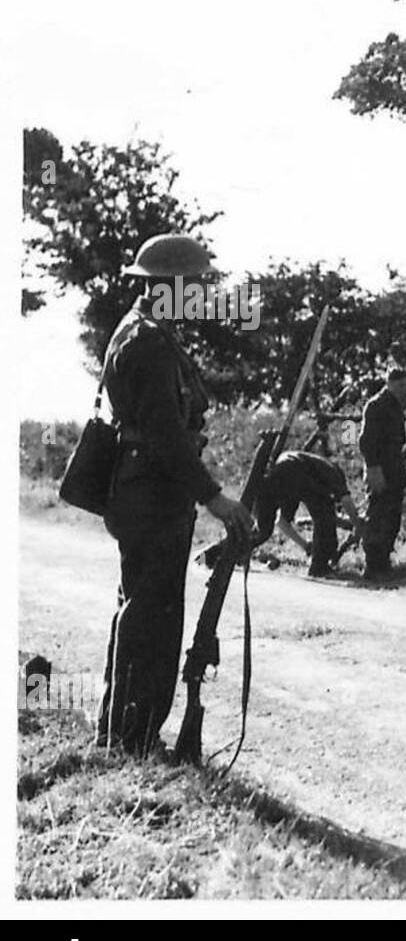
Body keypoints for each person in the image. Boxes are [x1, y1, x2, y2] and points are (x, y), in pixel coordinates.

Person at [98, 233, 253, 756]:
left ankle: (122, 734)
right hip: (153, 494)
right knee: (153, 618)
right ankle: (133, 740)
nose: (201, 296)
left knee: (140, 611)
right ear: (169, 286)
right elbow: (165, 435)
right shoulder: (148, 341)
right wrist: (214, 498)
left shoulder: (142, 332)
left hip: (141, 490)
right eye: (195, 285)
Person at [251, 451, 365, 577]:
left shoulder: (312, 479)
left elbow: (282, 522)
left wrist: (305, 546)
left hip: (279, 472)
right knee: (324, 512)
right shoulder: (334, 474)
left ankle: (235, 550)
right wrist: (358, 527)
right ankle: (320, 567)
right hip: (294, 470)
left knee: (264, 531)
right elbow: (346, 501)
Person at [359, 367, 406, 578]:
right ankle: (372, 565)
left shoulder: (396, 406)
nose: (403, 390)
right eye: (400, 385)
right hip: (381, 468)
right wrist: (373, 469)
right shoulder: (376, 405)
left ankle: (383, 561)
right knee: (377, 516)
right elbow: (366, 441)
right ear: (389, 382)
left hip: (394, 468)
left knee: (392, 517)